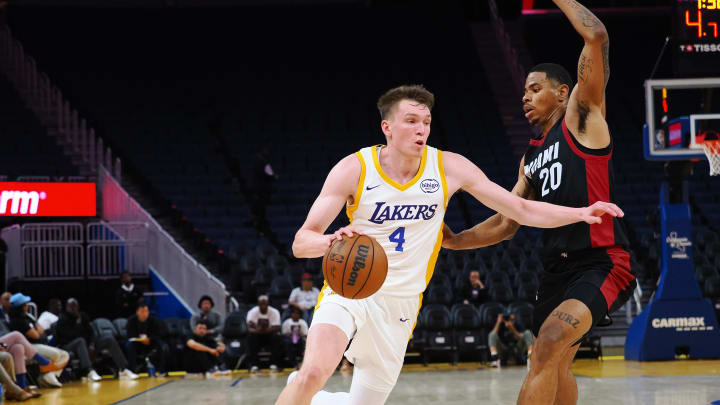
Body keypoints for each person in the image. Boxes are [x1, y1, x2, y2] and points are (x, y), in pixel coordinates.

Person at [275, 84, 623, 405]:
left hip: (402, 303)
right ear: (387, 127)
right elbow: (301, 242)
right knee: (314, 373)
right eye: (410, 121)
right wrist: (329, 240)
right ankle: (305, 389)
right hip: (350, 289)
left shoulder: (449, 167)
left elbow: (519, 208)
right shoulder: (354, 168)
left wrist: (580, 212)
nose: (420, 129)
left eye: (425, 121)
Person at [442, 2, 636, 403]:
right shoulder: (530, 157)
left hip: (601, 260)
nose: (525, 97)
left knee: (548, 343)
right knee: (553, 359)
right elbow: (507, 221)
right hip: (555, 269)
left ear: (563, 92)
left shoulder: (582, 117)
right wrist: (455, 240)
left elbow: (596, 35)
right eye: (524, 91)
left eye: (535, 88)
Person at [55, 298, 138, 381]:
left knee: (109, 339)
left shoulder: (82, 316)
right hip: (68, 346)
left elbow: (91, 332)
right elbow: (69, 336)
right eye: (71, 306)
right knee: (80, 340)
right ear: (67, 307)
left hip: (86, 344)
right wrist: (78, 325)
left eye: (75, 306)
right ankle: (89, 371)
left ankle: (123, 369)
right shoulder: (62, 318)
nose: (73, 308)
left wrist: (92, 344)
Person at [7, 293, 69, 388]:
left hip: (32, 345)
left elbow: (41, 331)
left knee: (65, 354)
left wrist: (34, 322)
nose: (27, 305)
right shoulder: (17, 320)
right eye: (26, 304)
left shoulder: (27, 317)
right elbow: (36, 335)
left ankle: (47, 376)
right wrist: (36, 328)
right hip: (22, 346)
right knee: (56, 355)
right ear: (22, 306)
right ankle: (44, 365)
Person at [0, 331, 50, 398]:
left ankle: (21, 386)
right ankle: (43, 361)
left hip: (3, 344)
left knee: (18, 348)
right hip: (3, 343)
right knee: (16, 335)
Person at [124, 302, 169, 375]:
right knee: (129, 345)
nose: (144, 313)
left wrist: (149, 339)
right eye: (142, 311)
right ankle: (132, 370)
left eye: (146, 311)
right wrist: (140, 340)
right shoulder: (131, 321)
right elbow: (130, 335)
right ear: (137, 312)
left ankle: (161, 370)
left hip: (150, 342)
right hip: (137, 343)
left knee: (160, 344)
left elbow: (157, 334)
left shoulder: (153, 320)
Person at [246, 295, 283, 372]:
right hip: (257, 335)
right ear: (258, 304)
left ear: (268, 304)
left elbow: (277, 327)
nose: (263, 305)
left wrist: (261, 329)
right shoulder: (252, 312)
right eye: (261, 304)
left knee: (277, 337)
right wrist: (260, 330)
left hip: (270, 335)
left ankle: (274, 364)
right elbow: (249, 328)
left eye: (264, 303)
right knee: (251, 337)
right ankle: (254, 365)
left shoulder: (274, 312)